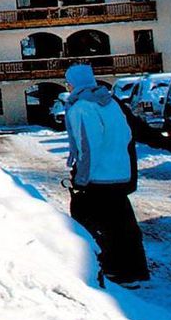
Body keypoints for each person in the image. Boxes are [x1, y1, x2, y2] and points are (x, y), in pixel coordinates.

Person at [61, 63, 151, 286]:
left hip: (98, 178)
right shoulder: (110, 103)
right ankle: (136, 269)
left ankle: (111, 269)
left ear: (74, 83)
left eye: (68, 82)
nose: (68, 86)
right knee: (123, 223)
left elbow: (88, 146)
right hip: (120, 174)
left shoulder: (82, 107)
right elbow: (127, 135)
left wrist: (82, 179)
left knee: (93, 224)